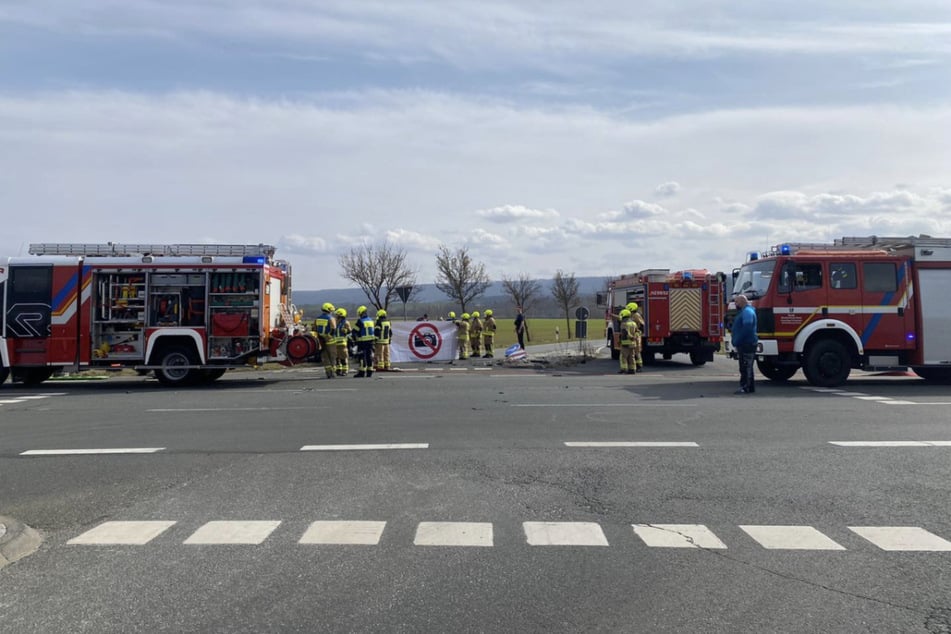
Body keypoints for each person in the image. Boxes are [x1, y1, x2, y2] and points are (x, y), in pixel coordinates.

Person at [731, 294, 758, 394]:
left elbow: (747, 327)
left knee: (746, 366)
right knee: (746, 366)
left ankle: (745, 387)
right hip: (746, 343)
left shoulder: (747, 312)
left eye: (737, 302)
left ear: (742, 301)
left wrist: (738, 339)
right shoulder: (746, 311)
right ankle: (749, 387)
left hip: (746, 343)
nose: (735, 304)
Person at [314, 302, 337, 379]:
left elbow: (315, 329)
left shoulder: (317, 318)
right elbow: (333, 328)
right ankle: (333, 372)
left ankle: (328, 373)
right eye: (331, 310)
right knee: (332, 356)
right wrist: (329, 336)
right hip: (330, 340)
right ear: (328, 310)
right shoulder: (331, 318)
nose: (332, 311)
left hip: (321, 339)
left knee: (325, 356)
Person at [353, 306, 376, 378]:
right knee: (369, 356)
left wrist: (354, 340)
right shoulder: (371, 320)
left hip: (362, 341)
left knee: (362, 357)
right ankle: (369, 371)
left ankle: (362, 372)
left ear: (360, 313)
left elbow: (354, 331)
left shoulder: (360, 321)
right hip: (370, 341)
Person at [618, 309, 637, 375]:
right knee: (632, 357)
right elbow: (637, 332)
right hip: (633, 343)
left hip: (625, 343)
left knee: (623, 357)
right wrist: (634, 338)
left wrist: (620, 341)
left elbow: (624, 333)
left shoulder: (624, 324)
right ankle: (632, 369)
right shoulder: (633, 323)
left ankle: (624, 369)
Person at [627, 302, 645, 371]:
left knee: (637, 351)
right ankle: (634, 365)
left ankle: (639, 366)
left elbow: (642, 324)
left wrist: (639, 332)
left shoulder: (636, 315)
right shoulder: (632, 315)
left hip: (636, 335)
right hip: (633, 335)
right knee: (633, 351)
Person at [333, 307, 351, 376]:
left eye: (337, 314)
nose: (336, 316)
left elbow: (350, 332)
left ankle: (345, 370)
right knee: (337, 358)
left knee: (343, 357)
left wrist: (346, 331)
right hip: (335, 343)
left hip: (342, 343)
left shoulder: (346, 323)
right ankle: (338, 370)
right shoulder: (335, 322)